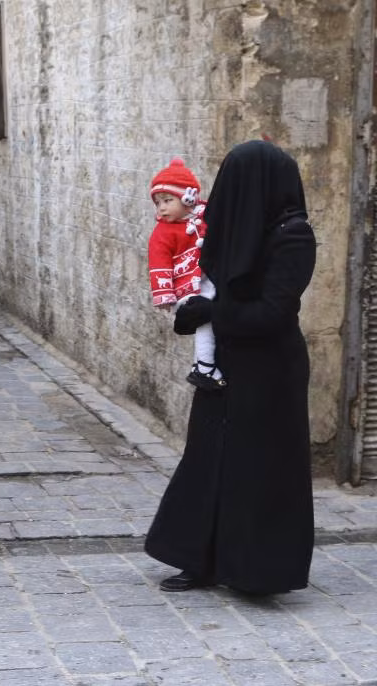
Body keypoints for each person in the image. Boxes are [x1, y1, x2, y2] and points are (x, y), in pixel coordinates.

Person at [144, 140, 317, 595]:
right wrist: (192, 311)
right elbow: (204, 290)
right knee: (209, 461)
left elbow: (272, 313)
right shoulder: (228, 231)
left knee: (259, 469)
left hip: (270, 371)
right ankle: (197, 558)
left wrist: (210, 314)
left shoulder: (292, 235)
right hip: (226, 366)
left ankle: (256, 570)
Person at [148, 157, 225, 391]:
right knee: (206, 322)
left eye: (167, 200)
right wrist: (164, 294)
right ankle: (204, 365)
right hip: (188, 286)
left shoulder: (202, 216)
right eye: (158, 202)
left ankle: (203, 365)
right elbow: (158, 263)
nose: (161, 208)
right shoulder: (163, 232)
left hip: (206, 277)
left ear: (188, 198)